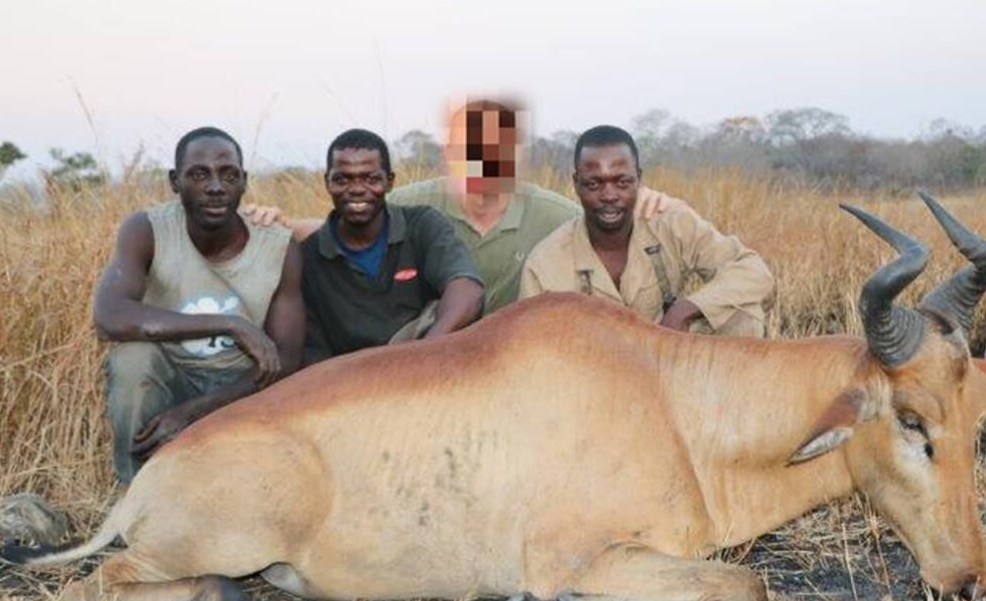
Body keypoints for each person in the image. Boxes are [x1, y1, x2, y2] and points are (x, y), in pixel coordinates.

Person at [243, 99, 681, 312]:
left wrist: (650, 201)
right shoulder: (419, 202)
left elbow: (608, 213)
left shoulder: (555, 213)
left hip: (519, 360)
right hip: (441, 352)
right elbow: (350, 219)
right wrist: (278, 221)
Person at [93, 126, 305, 483]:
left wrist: (192, 413)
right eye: (198, 174)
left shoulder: (279, 247)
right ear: (175, 181)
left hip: (241, 386)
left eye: (228, 175)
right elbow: (109, 316)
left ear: (243, 182)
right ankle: (133, 495)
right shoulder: (146, 229)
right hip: (172, 376)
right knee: (131, 359)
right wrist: (230, 324)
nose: (215, 187)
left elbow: (284, 360)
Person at [519, 125, 775, 335]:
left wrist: (683, 312)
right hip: (592, 377)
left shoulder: (669, 221)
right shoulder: (545, 263)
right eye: (594, 184)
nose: (609, 195)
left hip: (669, 359)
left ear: (638, 178)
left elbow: (753, 270)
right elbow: (531, 345)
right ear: (576, 183)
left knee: (743, 318)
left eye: (622, 182)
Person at [301, 129, 483, 363]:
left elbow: (467, 289)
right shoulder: (307, 257)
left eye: (371, 179)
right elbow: (313, 353)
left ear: (390, 182)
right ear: (327, 183)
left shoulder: (422, 225)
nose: (356, 189)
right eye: (342, 179)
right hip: (353, 382)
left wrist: (424, 353)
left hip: (429, 365)